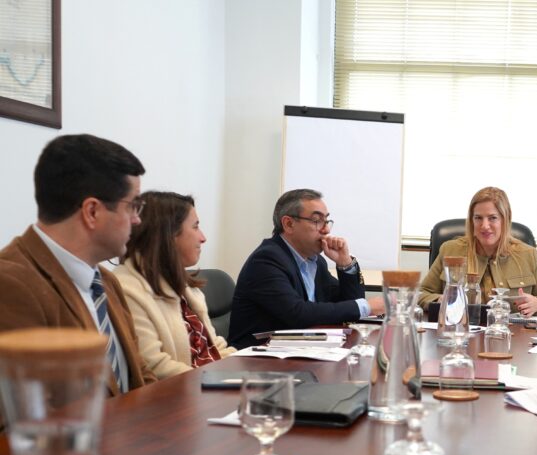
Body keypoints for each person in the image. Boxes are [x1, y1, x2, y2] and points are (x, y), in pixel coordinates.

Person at [0, 134, 155, 394]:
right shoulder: (10, 285)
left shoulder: (106, 281)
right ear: (92, 211)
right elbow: (18, 419)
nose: (137, 220)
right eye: (133, 205)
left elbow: (140, 375)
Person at [229, 189, 385, 349]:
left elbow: (350, 302)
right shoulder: (266, 260)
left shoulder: (316, 262)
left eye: (327, 221)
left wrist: (345, 264)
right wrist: (367, 306)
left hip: (301, 350)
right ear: (289, 224)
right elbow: (298, 313)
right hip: (257, 358)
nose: (326, 230)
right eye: (317, 220)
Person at [113, 191, 235, 379]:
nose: (202, 238)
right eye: (195, 227)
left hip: (207, 385)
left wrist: (247, 369)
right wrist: (221, 380)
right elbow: (155, 367)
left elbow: (215, 348)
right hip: (183, 395)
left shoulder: (183, 283)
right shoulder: (127, 289)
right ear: (167, 234)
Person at [418, 187, 537, 317]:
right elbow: (422, 294)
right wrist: (439, 299)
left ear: (505, 220)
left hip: (511, 335)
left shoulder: (528, 254)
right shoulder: (450, 250)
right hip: (460, 331)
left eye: (493, 218)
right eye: (478, 218)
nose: (485, 226)